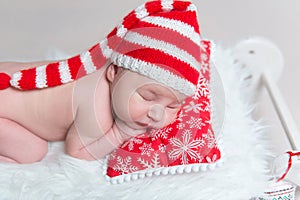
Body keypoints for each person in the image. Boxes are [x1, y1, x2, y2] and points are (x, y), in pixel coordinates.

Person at [0, 0, 202, 163]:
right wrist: (120, 133)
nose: (156, 114)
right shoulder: (96, 106)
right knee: (32, 151)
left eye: (173, 105)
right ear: (112, 72)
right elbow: (77, 151)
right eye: (147, 96)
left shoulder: (103, 70)